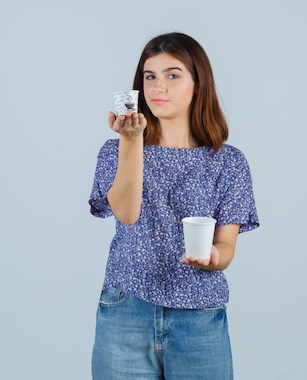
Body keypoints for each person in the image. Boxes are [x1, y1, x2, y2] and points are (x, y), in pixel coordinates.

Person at [88, 32, 259, 379]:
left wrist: (214, 258)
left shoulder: (228, 163)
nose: (157, 87)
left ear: (199, 84)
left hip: (199, 319)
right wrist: (131, 141)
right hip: (126, 311)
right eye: (149, 77)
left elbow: (226, 246)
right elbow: (127, 212)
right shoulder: (116, 149)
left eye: (172, 75)